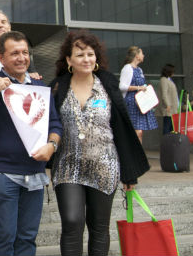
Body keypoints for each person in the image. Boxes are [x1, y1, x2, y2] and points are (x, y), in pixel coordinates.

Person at [50, 30, 150, 256]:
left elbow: (121, 128)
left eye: (90, 54)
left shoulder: (107, 83)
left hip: (104, 166)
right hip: (68, 166)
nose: (86, 59)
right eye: (79, 54)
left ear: (96, 57)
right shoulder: (57, 86)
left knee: (99, 227)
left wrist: (129, 173)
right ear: (68, 60)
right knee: (72, 221)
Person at [0, 31, 62, 256]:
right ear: (1, 58)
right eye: (14, 54)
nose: (21, 58)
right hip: (3, 174)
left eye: (24, 52)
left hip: (35, 173)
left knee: (27, 238)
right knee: (4, 237)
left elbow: (55, 123)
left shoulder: (39, 86)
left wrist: (52, 145)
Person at [119, 46, 158, 143]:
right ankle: (135, 154)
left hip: (140, 102)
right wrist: (138, 88)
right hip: (131, 102)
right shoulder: (127, 68)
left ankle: (138, 154)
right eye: (142, 53)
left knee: (140, 131)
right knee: (136, 131)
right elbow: (122, 86)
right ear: (137, 56)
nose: (143, 55)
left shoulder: (139, 70)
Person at [157, 63, 179, 134]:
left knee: (171, 128)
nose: (173, 73)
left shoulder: (168, 80)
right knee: (167, 127)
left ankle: (170, 143)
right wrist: (167, 105)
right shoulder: (164, 80)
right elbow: (164, 94)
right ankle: (166, 143)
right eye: (172, 71)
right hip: (169, 108)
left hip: (172, 108)